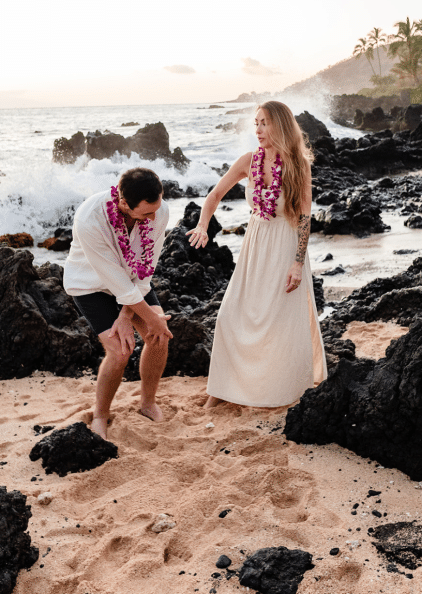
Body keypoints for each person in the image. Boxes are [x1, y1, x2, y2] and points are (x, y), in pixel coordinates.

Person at [188, 100, 326, 408]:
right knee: (230, 315)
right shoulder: (248, 161)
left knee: (277, 321)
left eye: (264, 122)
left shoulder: (298, 165)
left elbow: (304, 217)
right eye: (256, 123)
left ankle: (277, 391)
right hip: (255, 241)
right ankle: (220, 390)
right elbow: (214, 195)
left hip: (285, 243)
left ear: (280, 124)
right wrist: (202, 225)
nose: (259, 129)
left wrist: (298, 263)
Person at [64, 167, 173, 440]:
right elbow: (113, 279)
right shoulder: (90, 218)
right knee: (120, 351)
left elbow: (144, 270)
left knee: (158, 336)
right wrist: (140, 316)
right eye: (146, 213)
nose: (154, 217)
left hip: (133, 282)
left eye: (156, 208)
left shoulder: (159, 211)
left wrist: (128, 316)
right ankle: (101, 414)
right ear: (124, 202)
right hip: (91, 284)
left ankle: (147, 404)